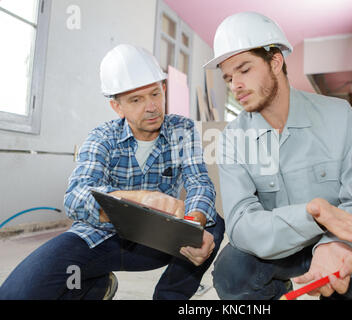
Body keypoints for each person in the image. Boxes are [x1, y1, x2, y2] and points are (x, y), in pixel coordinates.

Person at [204, 12, 352, 300]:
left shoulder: (338, 117)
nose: (235, 84)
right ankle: (277, 290)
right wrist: (312, 216)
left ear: (275, 62)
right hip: (276, 250)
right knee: (231, 271)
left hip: (336, 243)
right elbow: (240, 224)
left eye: (244, 69)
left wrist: (340, 245)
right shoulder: (232, 140)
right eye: (228, 77)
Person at [0, 44, 224, 300]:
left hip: (159, 241)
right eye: (136, 100)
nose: (151, 107)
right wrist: (136, 200)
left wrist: (194, 225)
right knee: (16, 292)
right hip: (101, 237)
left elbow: (199, 182)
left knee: (212, 223)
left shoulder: (181, 130)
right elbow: (75, 197)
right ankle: (95, 286)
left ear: (163, 88)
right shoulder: (102, 137)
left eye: (154, 93)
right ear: (117, 107)